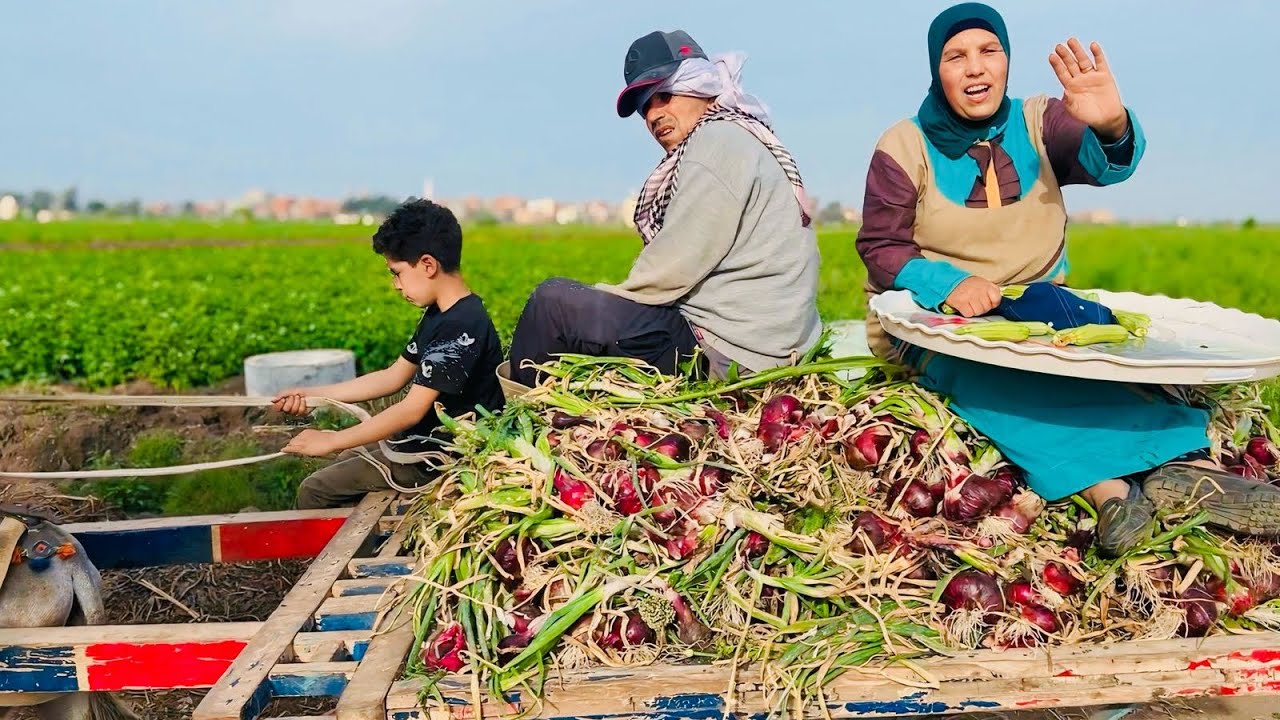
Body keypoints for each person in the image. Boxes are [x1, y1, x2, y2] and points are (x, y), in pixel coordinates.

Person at [855, 2, 1280, 556]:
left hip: (1038, 305)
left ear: (1007, 61)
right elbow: (881, 247)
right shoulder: (903, 144)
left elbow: (1106, 163)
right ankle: (1114, 493)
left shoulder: (1039, 120)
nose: (976, 68)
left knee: (1120, 367)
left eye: (989, 52)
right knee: (999, 384)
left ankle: (1187, 474)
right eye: (957, 57)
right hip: (934, 320)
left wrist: (1110, 123)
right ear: (937, 69)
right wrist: (948, 283)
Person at [507, 29, 822, 386]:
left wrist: (601, 304)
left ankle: (514, 414)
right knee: (584, 309)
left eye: (665, 96)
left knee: (554, 304)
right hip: (768, 343)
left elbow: (675, 263)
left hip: (733, 353)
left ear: (699, 86)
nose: (654, 115)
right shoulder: (737, 135)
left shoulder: (715, 142)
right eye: (645, 107)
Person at [274, 198, 505, 509]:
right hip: (418, 443)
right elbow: (392, 377)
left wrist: (331, 439)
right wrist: (312, 392)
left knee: (314, 489)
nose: (395, 285)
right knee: (345, 456)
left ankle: (326, 557)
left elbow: (411, 410)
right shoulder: (441, 313)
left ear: (427, 265)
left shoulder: (461, 326)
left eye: (397, 272)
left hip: (437, 459)